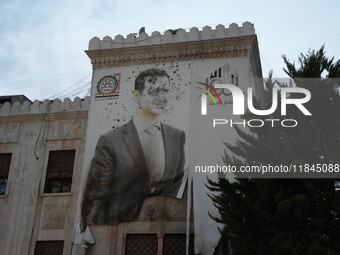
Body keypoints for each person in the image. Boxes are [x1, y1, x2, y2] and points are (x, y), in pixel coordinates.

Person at [81, 68, 186, 227]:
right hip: (118, 230)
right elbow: (95, 199)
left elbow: (175, 187)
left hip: (163, 229)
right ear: (137, 96)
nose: (160, 97)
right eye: (153, 91)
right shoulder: (110, 141)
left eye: (164, 91)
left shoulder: (177, 137)